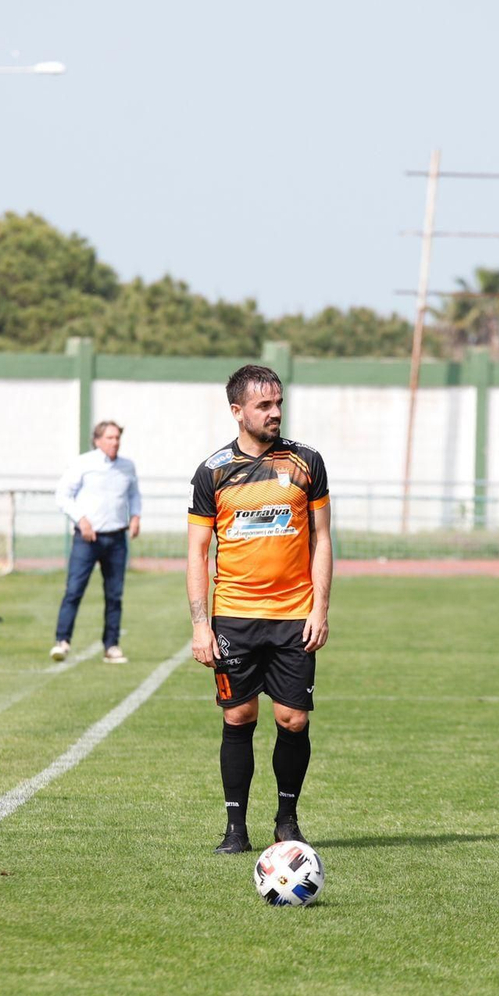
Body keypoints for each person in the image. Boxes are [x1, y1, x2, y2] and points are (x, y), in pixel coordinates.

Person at [186, 365, 331, 855]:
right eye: (263, 405)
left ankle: (287, 822)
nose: (274, 412)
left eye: (278, 403)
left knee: (293, 719)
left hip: (294, 615)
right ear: (237, 411)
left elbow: (323, 539)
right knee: (239, 716)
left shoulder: (306, 462)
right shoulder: (212, 472)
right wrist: (200, 626)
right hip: (234, 616)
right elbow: (196, 553)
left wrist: (320, 609)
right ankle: (235, 829)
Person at [51, 420, 141, 665]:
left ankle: (111, 645)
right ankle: (62, 641)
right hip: (87, 539)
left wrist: (135, 516)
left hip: (117, 538)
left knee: (114, 595)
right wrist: (81, 519)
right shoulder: (83, 464)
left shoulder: (127, 466)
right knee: (74, 590)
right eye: (110, 438)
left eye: (117, 438)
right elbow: (62, 494)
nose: (115, 442)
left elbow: (133, 494)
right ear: (98, 440)